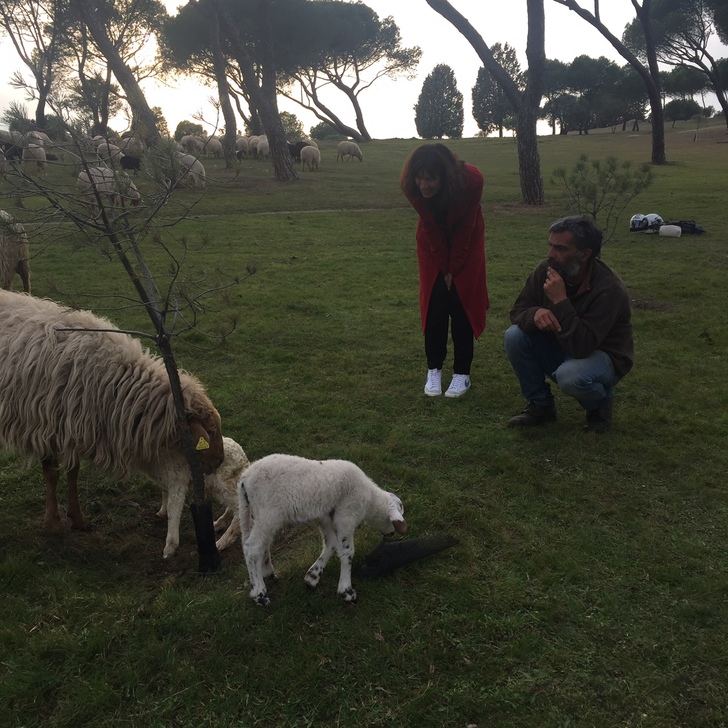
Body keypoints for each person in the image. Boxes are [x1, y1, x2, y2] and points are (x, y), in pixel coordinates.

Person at [504, 215, 633, 432]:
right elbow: (518, 310)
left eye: (561, 249)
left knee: (570, 376)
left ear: (585, 254)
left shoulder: (608, 289)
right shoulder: (545, 270)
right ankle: (540, 406)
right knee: (514, 336)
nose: (551, 255)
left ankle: (600, 405)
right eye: (551, 246)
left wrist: (560, 301)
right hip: (562, 344)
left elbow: (583, 346)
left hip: (602, 355)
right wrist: (534, 314)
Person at [400, 144, 488, 398]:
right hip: (431, 244)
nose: (423, 185)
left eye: (430, 179)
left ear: (444, 176)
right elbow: (431, 228)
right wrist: (443, 268)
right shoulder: (411, 187)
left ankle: (462, 374)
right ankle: (434, 369)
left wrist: (455, 268)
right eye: (419, 178)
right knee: (435, 301)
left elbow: (466, 228)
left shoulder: (471, 181)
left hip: (468, 241)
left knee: (462, 302)